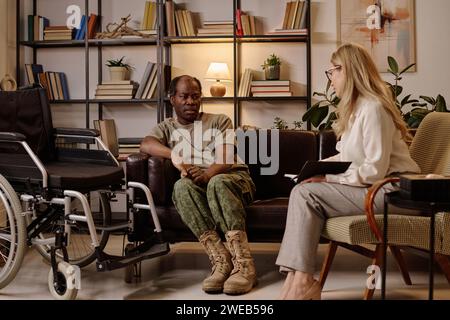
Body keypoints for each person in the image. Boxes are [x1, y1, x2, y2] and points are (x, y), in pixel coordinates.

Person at [276, 43, 421, 300]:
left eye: (332, 71)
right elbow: (346, 156)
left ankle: (302, 283)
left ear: (347, 70)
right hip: (375, 189)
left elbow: (375, 170)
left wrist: (328, 177)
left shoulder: (374, 108)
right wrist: (314, 170)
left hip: (394, 192)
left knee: (305, 194)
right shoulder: (356, 110)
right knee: (303, 188)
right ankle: (297, 279)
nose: (330, 79)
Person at [140, 75, 257, 295]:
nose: (190, 102)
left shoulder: (220, 120)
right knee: (181, 187)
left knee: (218, 182)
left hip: (233, 180)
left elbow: (225, 160)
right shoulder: (166, 128)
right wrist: (175, 155)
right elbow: (146, 144)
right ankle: (221, 261)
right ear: (172, 98)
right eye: (184, 96)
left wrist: (206, 175)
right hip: (198, 183)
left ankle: (244, 265)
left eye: (195, 96)